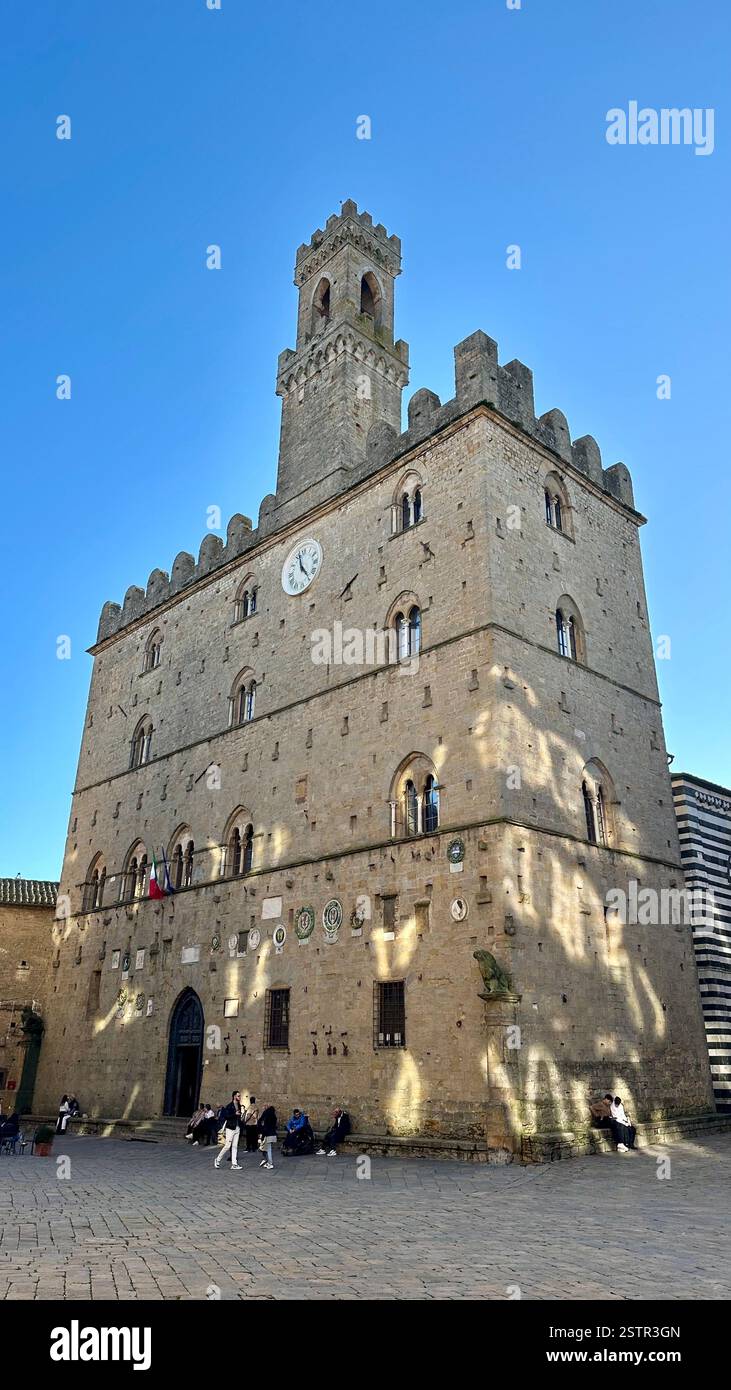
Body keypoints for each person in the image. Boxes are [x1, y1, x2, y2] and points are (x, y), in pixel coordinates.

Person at [214, 1091, 242, 1170]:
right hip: (230, 1128)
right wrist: (235, 1114)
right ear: (234, 1097)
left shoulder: (239, 1105)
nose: (239, 1097)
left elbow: (239, 1115)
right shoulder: (229, 1106)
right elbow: (226, 1116)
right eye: (238, 1096)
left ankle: (234, 1164)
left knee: (235, 1146)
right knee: (227, 1146)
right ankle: (217, 1159)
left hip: (237, 1127)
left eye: (240, 1096)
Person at [257, 1102, 277, 1170]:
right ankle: (267, 1162)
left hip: (268, 1134)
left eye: (265, 1106)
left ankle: (270, 1163)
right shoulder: (273, 1115)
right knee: (267, 1148)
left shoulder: (267, 1115)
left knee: (268, 1149)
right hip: (273, 1133)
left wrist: (262, 1134)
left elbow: (264, 1125)